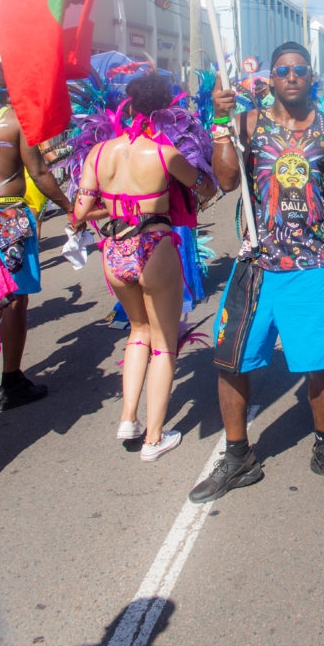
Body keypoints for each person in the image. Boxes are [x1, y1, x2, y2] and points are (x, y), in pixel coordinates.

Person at [190, 41, 324, 502]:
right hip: (256, 264)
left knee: (320, 365)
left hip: (311, 264)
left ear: (311, 77)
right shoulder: (247, 125)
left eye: (300, 69)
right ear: (270, 79)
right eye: (282, 70)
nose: (291, 76)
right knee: (231, 362)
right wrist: (221, 126)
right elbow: (225, 181)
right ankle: (239, 457)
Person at [73, 73, 216, 459]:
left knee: (137, 331)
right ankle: (154, 437)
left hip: (114, 250)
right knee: (164, 344)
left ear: (130, 105)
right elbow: (207, 187)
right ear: (166, 109)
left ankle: (128, 418)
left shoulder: (98, 153)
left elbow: (80, 211)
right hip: (154, 245)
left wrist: (118, 205)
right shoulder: (165, 153)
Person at [0, 64, 75, 411]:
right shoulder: (14, 121)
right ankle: (11, 381)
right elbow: (39, 172)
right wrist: (69, 206)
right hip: (7, 216)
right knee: (14, 299)